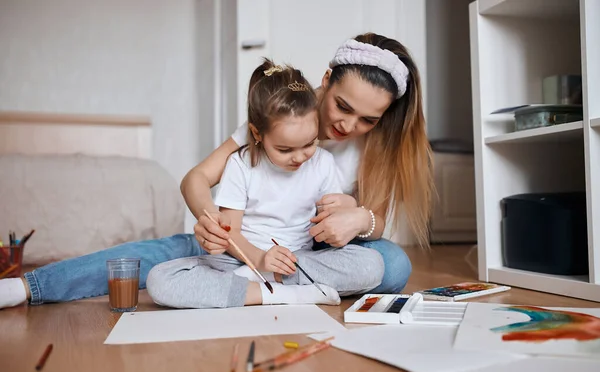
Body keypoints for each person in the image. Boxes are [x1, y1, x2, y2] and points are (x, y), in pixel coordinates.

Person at [0, 32, 432, 310]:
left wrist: (360, 216)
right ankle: (29, 288)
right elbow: (196, 179)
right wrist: (212, 224)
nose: (348, 126)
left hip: (306, 256)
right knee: (153, 259)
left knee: (391, 263)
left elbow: (376, 226)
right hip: (240, 246)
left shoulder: (375, 144)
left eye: (368, 120)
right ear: (326, 81)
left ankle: (277, 289)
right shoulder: (273, 121)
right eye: (342, 106)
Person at [145, 60, 384, 309]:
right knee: (160, 280)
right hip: (242, 259)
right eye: (284, 149)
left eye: (310, 143)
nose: (300, 156)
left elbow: (332, 230)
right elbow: (231, 234)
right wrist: (260, 259)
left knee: (372, 265)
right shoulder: (241, 164)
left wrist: (344, 210)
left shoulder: (323, 163)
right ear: (257, 134)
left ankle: (255, 287)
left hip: (299, 261)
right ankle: (284, 294)